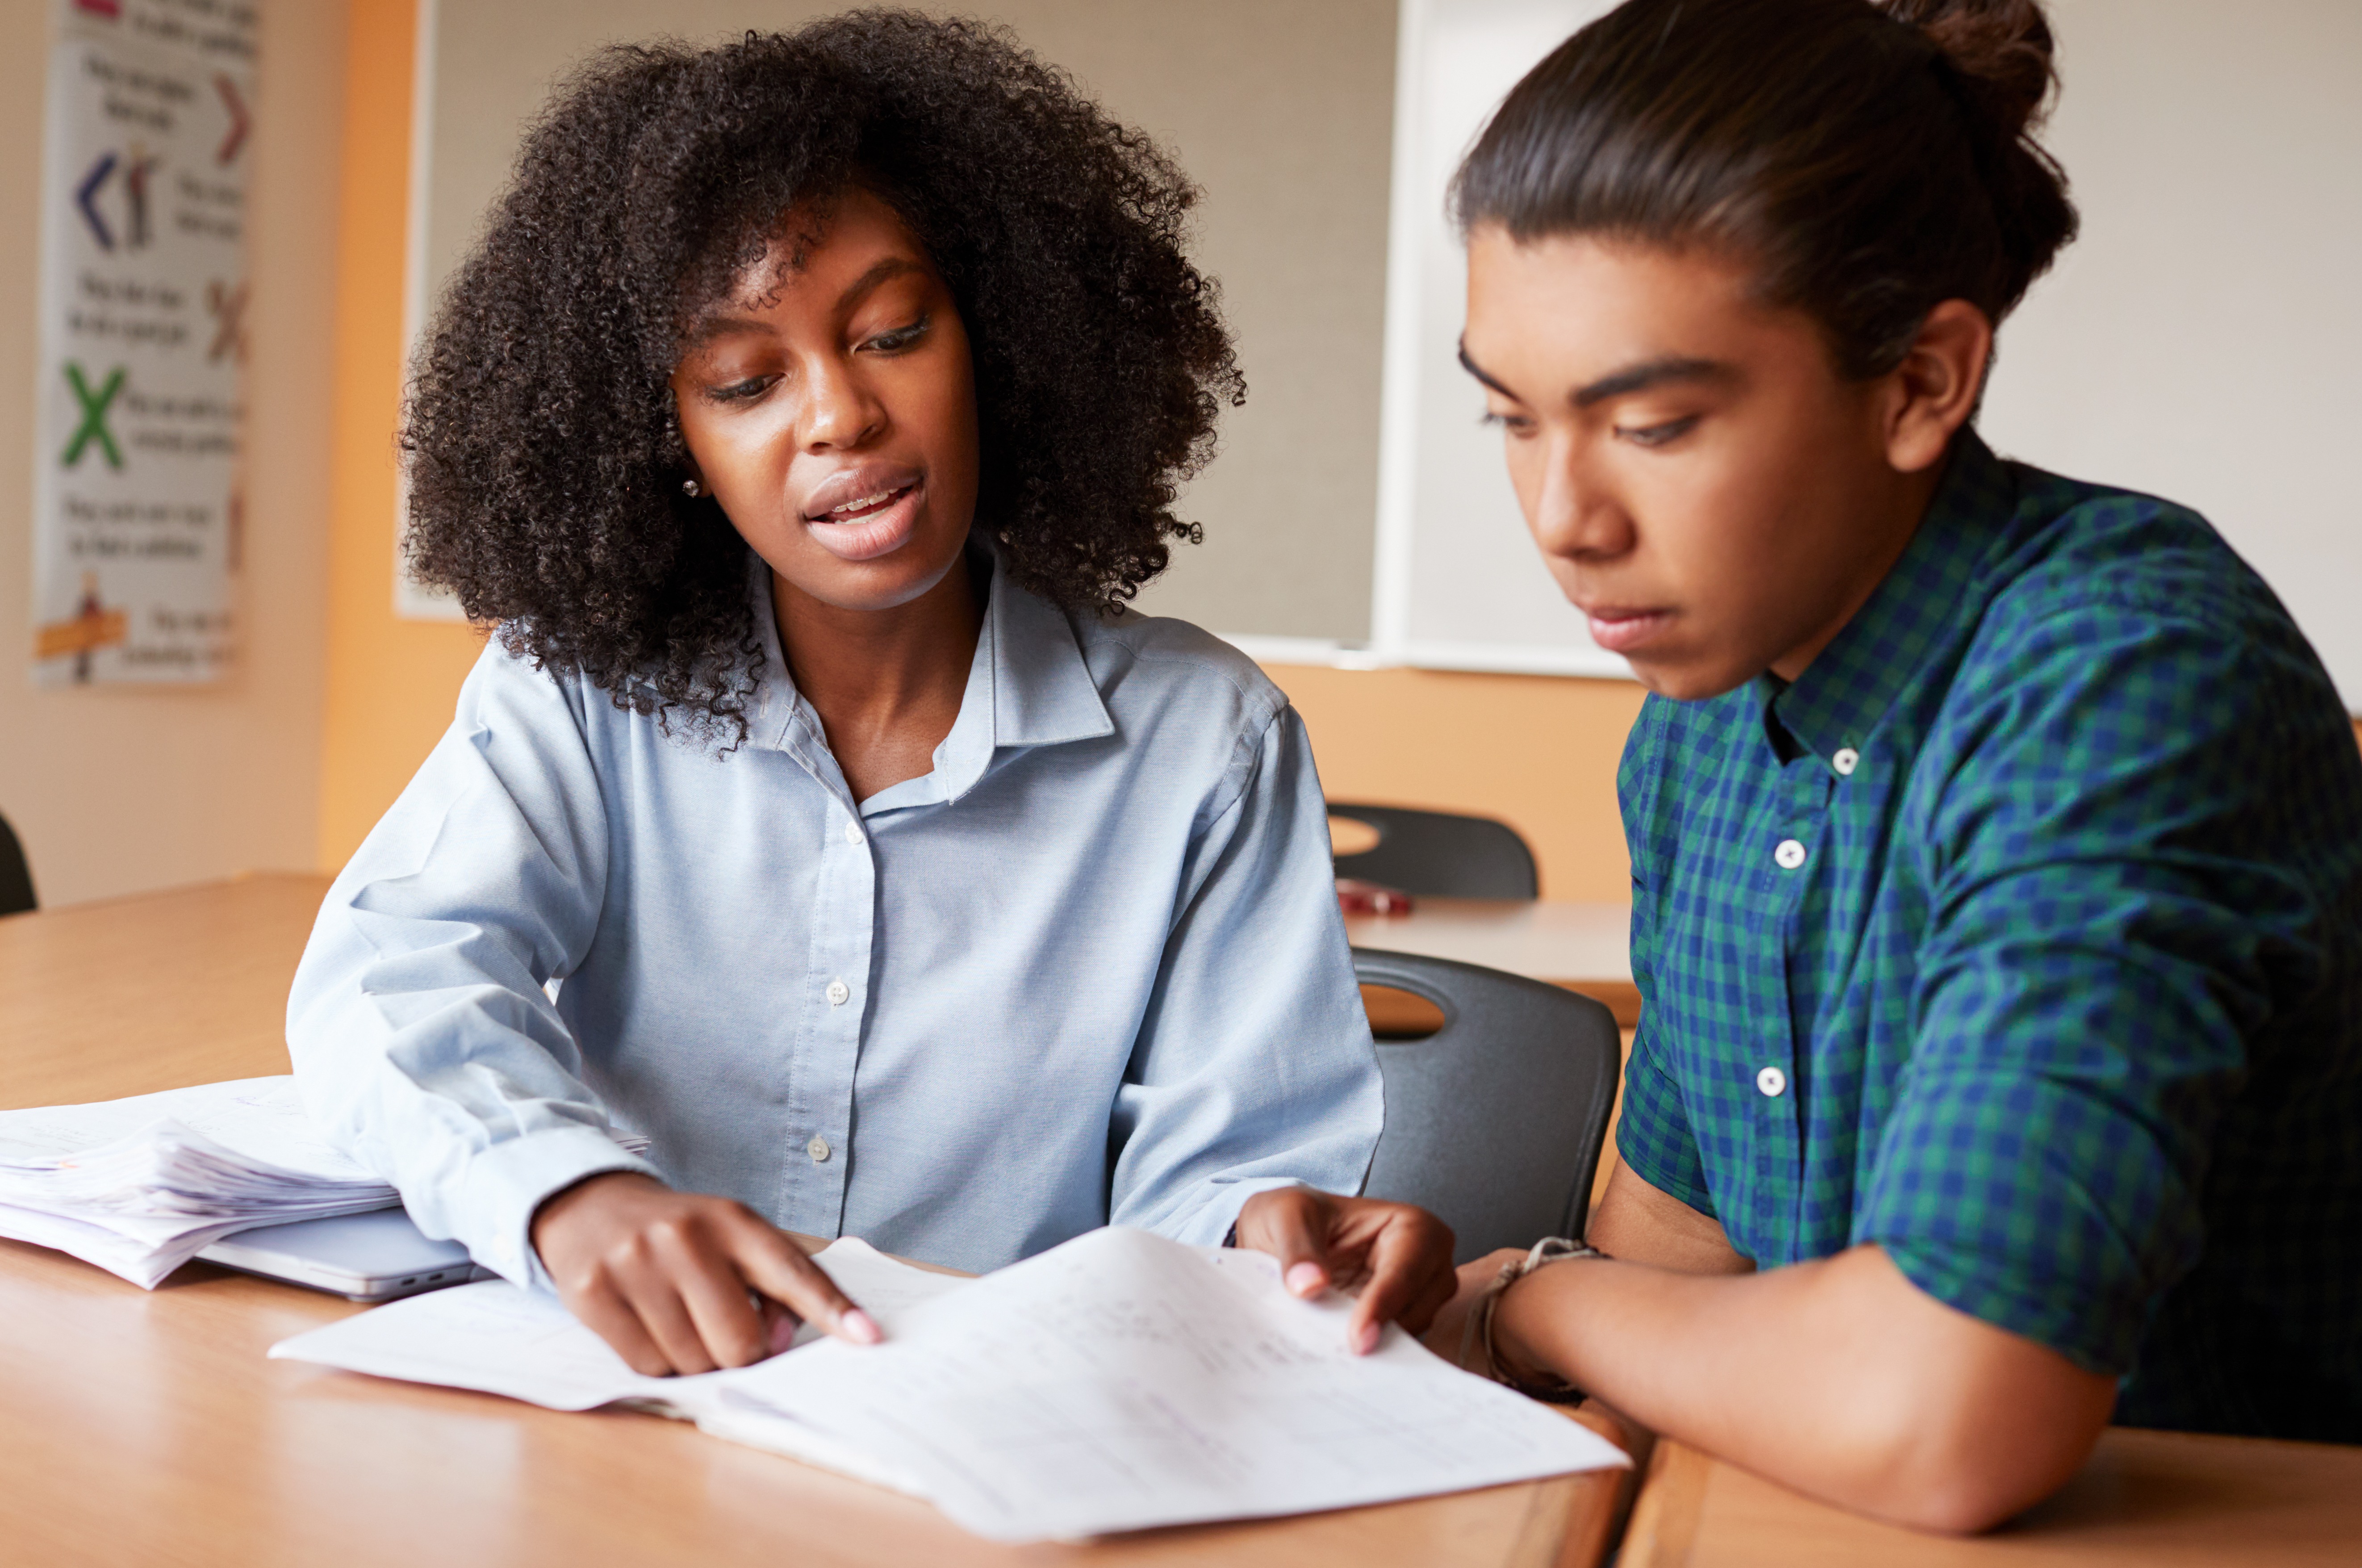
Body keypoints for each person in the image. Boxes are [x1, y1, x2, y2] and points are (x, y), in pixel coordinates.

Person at [287, 13, 1454, 1379]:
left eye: (891, 331)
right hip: (634, 1411)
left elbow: (1220, 1179)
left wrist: (1267, 1231)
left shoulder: (1204, 742)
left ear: (1001, 344)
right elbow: (393, 974)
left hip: (995, 1437)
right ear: (670, 440)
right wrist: (563, 1190)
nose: (837, 414)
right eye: (744, 380)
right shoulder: (579, 690)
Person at [1427, 0, 2362, 1534]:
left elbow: (1949, 1412)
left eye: (1651, 424)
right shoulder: (1696, 723)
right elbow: (1677, 1254)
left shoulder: (2123, 675)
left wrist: (1525, 1304)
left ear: (1924, 382)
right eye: (1508, 418)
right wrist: (1470, 1309)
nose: (1561, 517)